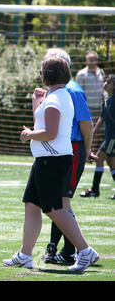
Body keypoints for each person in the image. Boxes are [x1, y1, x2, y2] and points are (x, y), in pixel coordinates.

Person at [3, 56, 99, 272]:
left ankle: (85, 251)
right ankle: (25, 255)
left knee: (54, 208)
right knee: (32, 205)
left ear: (47, 75)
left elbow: (50, 132)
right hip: (47, 160)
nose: (40, 74)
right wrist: (36, 103)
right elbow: (45, 123)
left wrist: (28, 135)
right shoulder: (57, 96)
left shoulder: (56, 99)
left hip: (52, 160)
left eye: (41, 71)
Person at [39, 49, 94, 264]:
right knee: (57, 200)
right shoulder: (54, 91)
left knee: (62, 201)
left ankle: (72, 250)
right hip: (57, 149)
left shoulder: (72, 90)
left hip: (71, 148)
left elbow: (86, 124)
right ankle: (58, 248)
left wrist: (87, 149)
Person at [80, 75, 115, 200]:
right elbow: (101, 120)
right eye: (105, 81)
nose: (105, 83)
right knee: (111, 163)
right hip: (108, 136)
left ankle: (95, 190)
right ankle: (95, 190)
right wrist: (91, 134)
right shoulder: (106, 101)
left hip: (113, 137)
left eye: (109, 82)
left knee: (99, 156)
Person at [75, 51, 106, 124]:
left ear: (96, 61)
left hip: (101, 108)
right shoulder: (81, 74)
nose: (91, 62)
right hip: (88, 108)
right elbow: (78, 93)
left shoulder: (101, 72)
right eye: (89, 60)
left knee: (101, 131)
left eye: (92, 60)